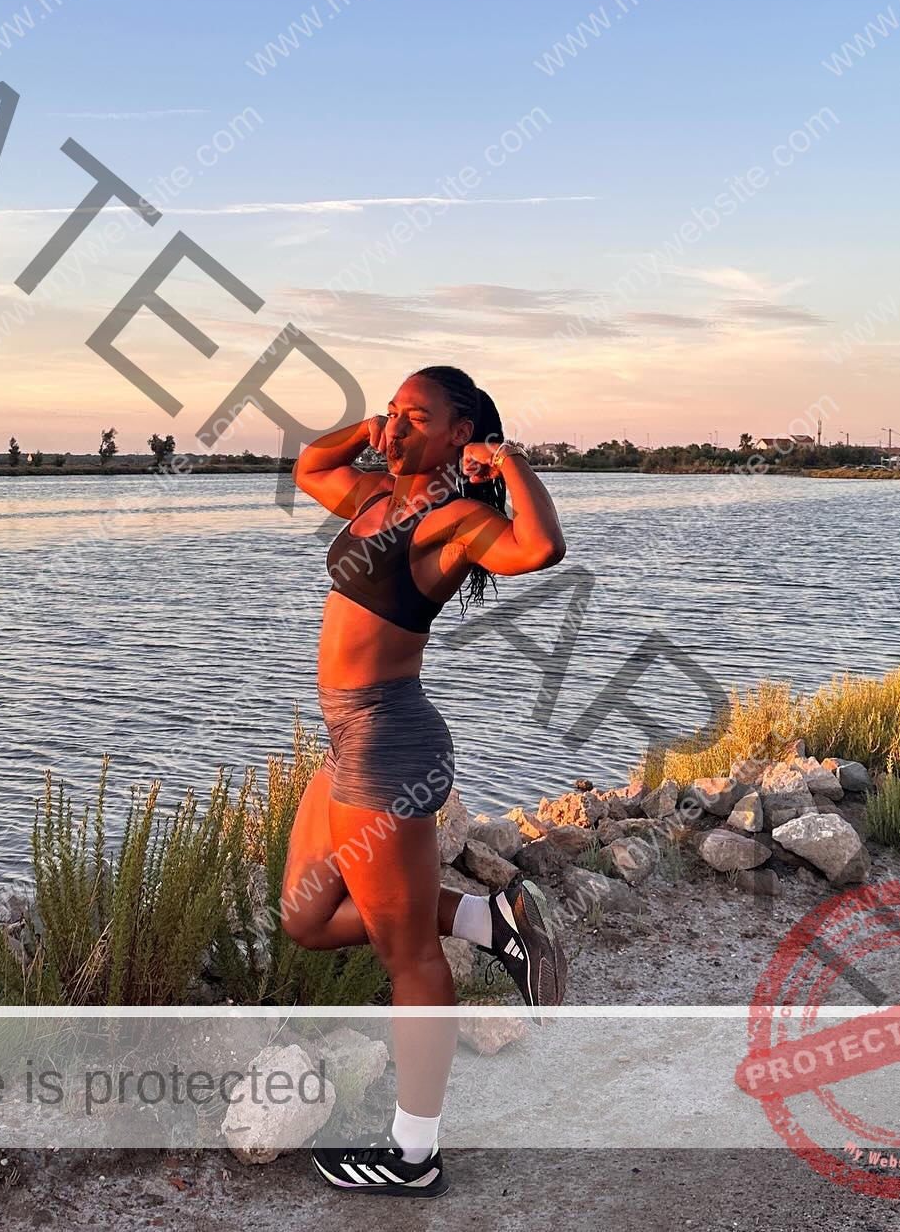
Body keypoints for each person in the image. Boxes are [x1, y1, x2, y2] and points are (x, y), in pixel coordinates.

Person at [280, 364, 569, 1198]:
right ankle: (488, 917)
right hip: (348, 737)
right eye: (394, 410)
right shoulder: (376, 496)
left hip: (388, 741)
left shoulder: (452, 520)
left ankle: (415, 1154)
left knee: (408, 956)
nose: (398, 425)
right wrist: (366, 427)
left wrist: (504, 460)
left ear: (458, 434)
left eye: (416, 416)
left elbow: (540, 547)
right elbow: (309, 467)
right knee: (305, 913)